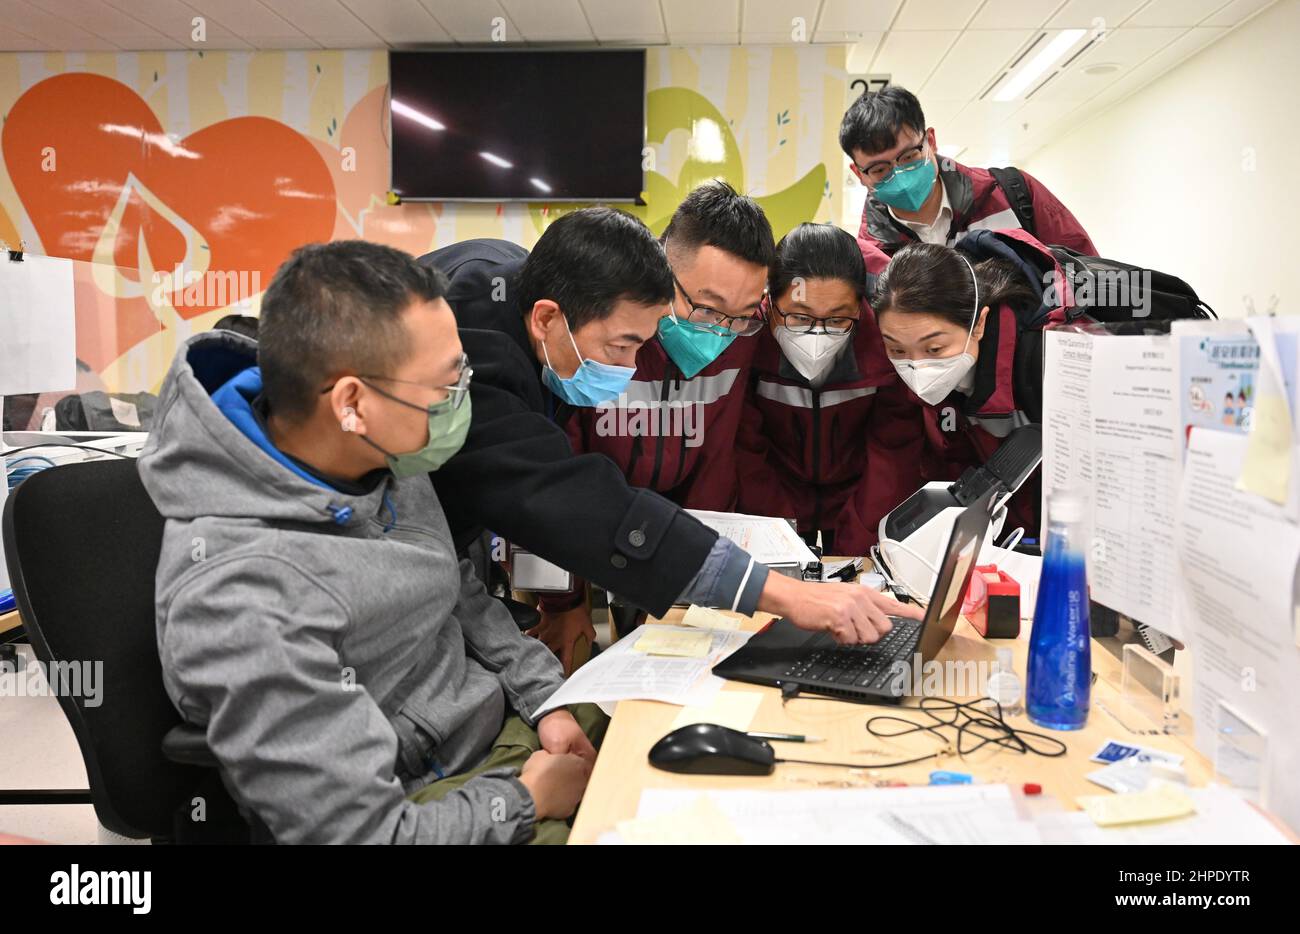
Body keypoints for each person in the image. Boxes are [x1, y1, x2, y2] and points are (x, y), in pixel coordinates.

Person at [140, 240, 602, 844]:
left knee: (651, 741)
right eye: (446, 384)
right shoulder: (239, 596)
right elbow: (365, 835)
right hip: (433, 796)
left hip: (501, 730)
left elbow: (457, 589)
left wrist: (547, 701)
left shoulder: (379, 454)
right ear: (352, 403)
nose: (461, 400)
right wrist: (528, 799)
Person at [420, 207, 918, 670]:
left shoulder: (540, 305)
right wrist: (785, 596)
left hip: (455, 559)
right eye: (622, 346)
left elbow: (716, 466)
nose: (630, 367)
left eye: (742, 316)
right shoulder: (473, 339)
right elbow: (557, 493)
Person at [533, 182, 774, 665]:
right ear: (663, 266)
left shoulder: (746, 337)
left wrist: (691, 589)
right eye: (705, 308)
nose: (720, 332)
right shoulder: (602, 333)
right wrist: (563, 601)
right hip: (587, 532)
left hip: (680, 539)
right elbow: (554, 471)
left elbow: (718, 461)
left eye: (742, 314)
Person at [735, 222, 921, 554]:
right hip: (774, 496)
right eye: (799, 317)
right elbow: (745, 449)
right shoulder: (747, 340)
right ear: (770, 302)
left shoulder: (883, 344)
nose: (816, 335)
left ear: (860, 308)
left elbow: (892, 451)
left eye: (837, 319)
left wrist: (858, 540)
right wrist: (779, 535)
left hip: (859, 498)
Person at [866, 231, 1065, 534]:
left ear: (979, 324)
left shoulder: (1043, 363)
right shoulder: (941, 389)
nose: (917, 366)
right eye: (897, 349)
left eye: (934, 349)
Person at [839, 85, 1096, 272]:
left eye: (908, 157)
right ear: (858, 173)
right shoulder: (868, 256)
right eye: (880, 169)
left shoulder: (1013, 194)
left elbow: (1089, 278)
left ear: (930, 141)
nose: (900, 176)